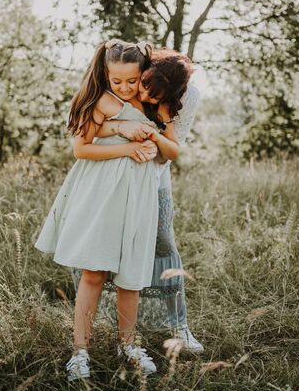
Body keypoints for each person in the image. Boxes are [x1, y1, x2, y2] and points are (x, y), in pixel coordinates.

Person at [34, 39, 179, 381]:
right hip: (102, 193)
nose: (126, 88)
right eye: (118, 82)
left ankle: (128, 345)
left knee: (131, 277)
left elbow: (172, 151)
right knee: (94, 272)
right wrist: (126, 146)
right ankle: (80, 352)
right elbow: (81, 150)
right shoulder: (101, 101)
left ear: (145, 73)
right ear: (105, 74)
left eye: (133, 80)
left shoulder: (156, 103)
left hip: (138, 195)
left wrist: (152, 138)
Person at [72, 48, 205, 353]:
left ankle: (177, 325)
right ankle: (89, 342)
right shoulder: (123, 82)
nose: (141, 95)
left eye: (151, 93)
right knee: (100, 259)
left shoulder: (181, 99)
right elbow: (90, 131)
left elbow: (170, 151)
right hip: (112, 182)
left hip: (152, 181)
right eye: (141, 85)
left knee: (162, 246)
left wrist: (150, 140)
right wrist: (122, 129)